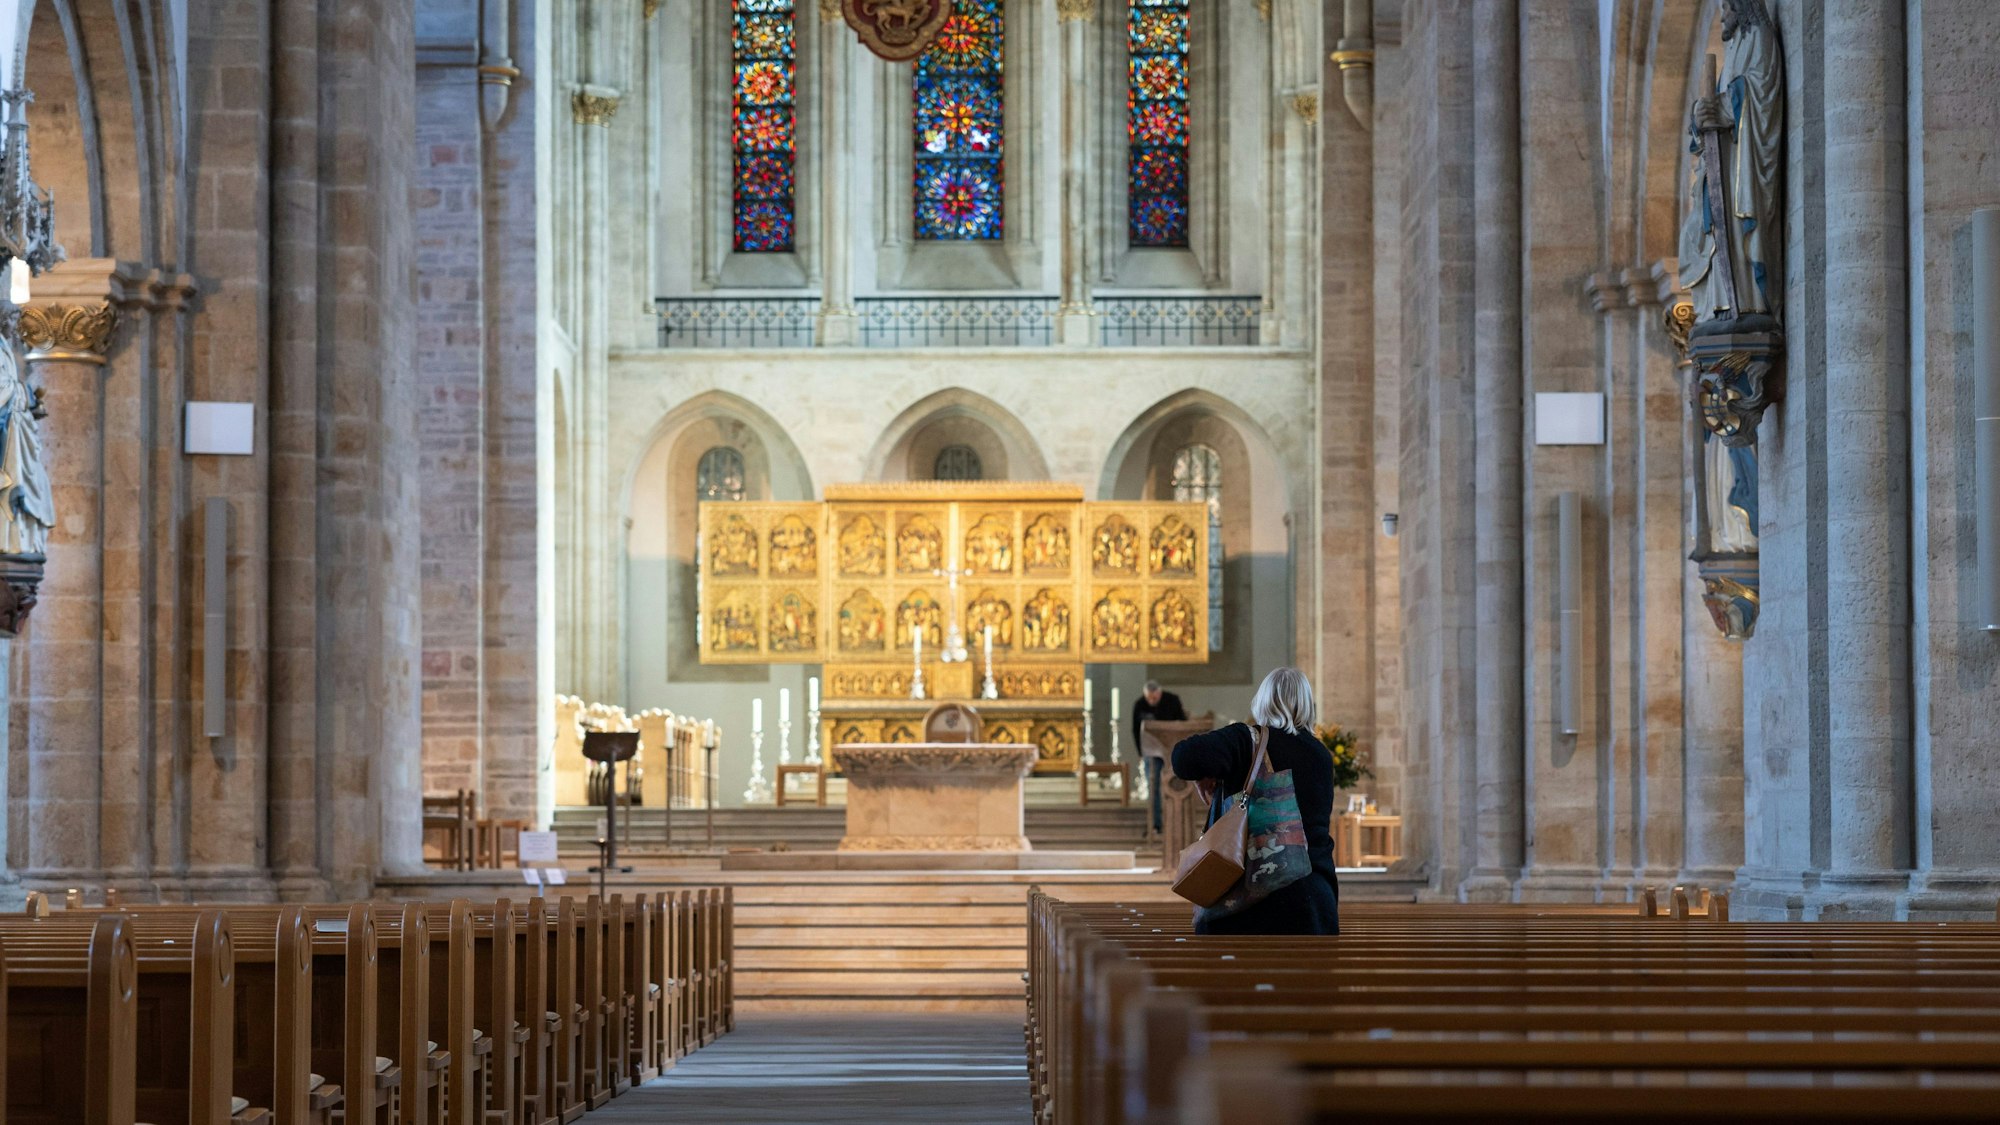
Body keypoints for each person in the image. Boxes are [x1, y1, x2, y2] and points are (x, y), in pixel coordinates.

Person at [1170, 667, 1339, 935]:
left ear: (1262, 701)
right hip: (1312, 904)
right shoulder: (1321, 756)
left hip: (1248, 907)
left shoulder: (1245, 740)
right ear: (1308, 704)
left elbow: (1183, 758)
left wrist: (1203, 776)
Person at [1132, 680, 1186, 830]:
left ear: (1159, 693)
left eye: (1154, 698)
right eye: (1149, 698)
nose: (1151, 701)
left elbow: (1182, 725)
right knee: (1153, 786)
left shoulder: (1172, 700)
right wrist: (1141, 752)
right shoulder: (1139, 705)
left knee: (1176, 785)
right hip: (1151, 751)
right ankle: (1156, 823)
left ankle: (1176, 822)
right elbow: (1136, 730)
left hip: (1172, 751)